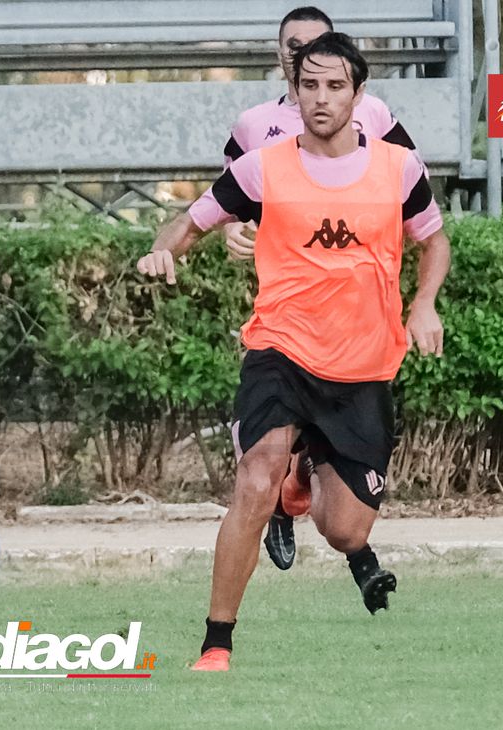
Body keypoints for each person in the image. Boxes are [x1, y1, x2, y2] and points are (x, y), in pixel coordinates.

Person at [137, 32, 449, 672]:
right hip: (281, 347)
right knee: (254, 477)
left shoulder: (398, 168)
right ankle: (216, 642)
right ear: (294, 89)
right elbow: (193, 220)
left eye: (335, 86)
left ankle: (301, 479)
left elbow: (433, 241)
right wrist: (165, 248)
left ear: (359, 96)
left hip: (363, 366)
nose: (320, 98)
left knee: (346, 532)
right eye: (309, 85)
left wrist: (423, 305)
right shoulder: (263, 165)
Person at [221, 6, 422, 572]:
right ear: (279, 53)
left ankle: (299, 479)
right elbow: (229, 197)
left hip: (356, 313)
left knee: (330, 445)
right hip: (286, 298)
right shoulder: (254, 123)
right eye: (292, 45)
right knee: (273, 412)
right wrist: (235, 230)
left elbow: (409, 178)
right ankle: (277, 492)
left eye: (315, 44)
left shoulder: (372, 111)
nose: (301, 52)